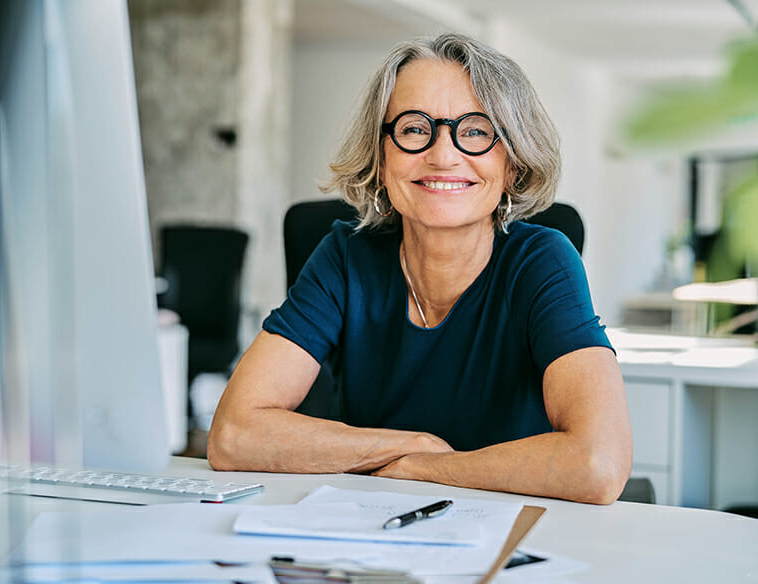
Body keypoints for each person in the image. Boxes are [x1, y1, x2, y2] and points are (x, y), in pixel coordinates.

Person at [208, 33, 632, 504]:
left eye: (475, 130)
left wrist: (432, 469)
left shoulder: (542, 260)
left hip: (510, 533)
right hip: (368, 525)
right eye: (413, 129)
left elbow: (598, 464)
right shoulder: (346, 255)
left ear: (512, 163)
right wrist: (412, 445)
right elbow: (233, 434)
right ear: (381, 158)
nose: (443, 155)